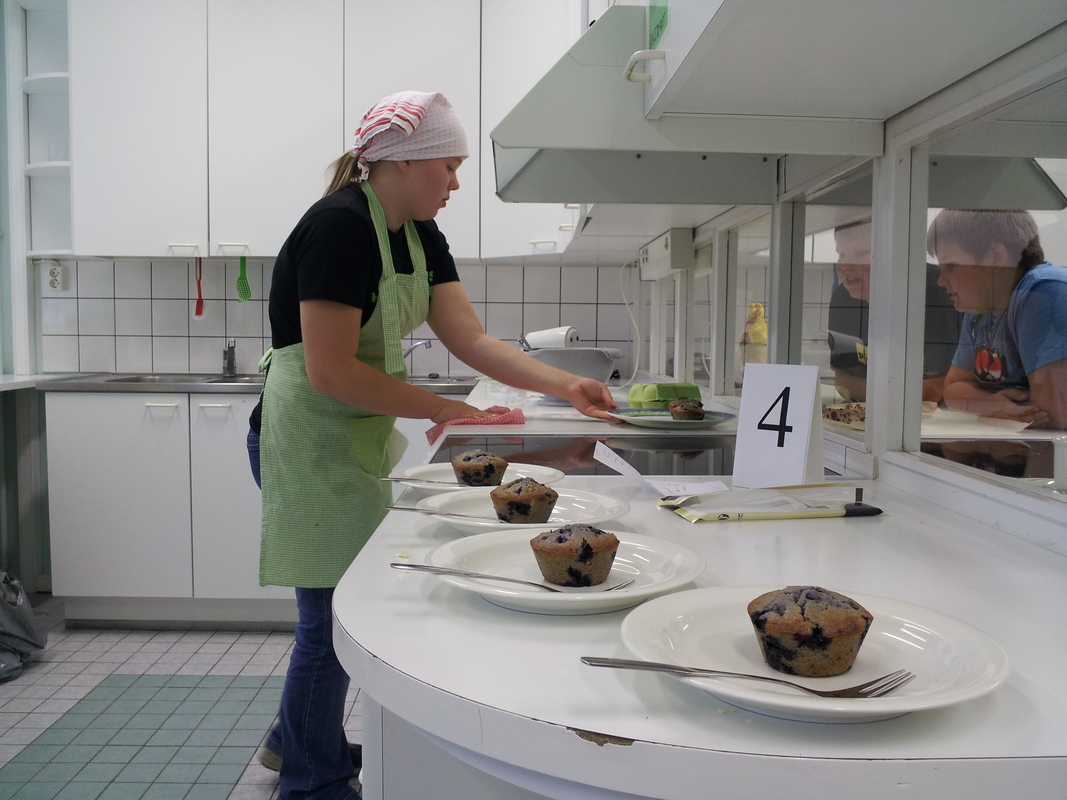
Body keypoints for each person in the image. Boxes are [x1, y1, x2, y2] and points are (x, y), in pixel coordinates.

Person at [254, 91, 617, 800]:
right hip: (309, 438)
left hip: (354, 431)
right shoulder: (338, 227)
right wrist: (445, 410)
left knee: (337, 610)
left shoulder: (420, 235)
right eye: (447, 167)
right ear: (401, 162)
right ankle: (310, 782)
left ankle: (293, 740)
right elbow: (330, 371)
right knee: (326, 623)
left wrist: (564, 385)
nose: (454, 183)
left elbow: (470, 338)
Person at [927, 208, 1067, 430]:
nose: (941, 281)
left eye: (951, 266)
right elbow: (953, 390)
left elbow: (1055, 416)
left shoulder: (1045, 291)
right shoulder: (981, 307)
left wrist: (983, 405)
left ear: (996, 257)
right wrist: (994, 405)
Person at [827, 220, 962, 403]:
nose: (845, 265)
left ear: (899, 254)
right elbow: (843, 383)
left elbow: (938, 389)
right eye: (841, 254)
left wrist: (866, 388)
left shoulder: (942, 291)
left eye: (863, 252)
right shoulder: (843, 299)